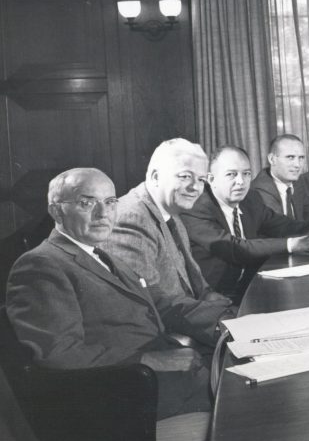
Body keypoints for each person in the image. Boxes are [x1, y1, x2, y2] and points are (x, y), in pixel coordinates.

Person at [6, 168, 210, 420]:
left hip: (166, 374)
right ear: (56, 211)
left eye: (110, 202)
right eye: (87, 203)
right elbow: (59, 353)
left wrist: (229, 323)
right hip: (127, 394)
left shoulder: (103, 255)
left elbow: (163, 304)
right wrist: (149, 360)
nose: (103, 214)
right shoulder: (40, 264)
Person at [181, 146, 309, 302]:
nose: (241, 182)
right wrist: (297, 243)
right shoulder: (196, 207)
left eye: (246, 174)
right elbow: (235, 248)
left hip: (249, 287)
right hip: (213, 297)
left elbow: (285, 226)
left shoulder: (251, 199)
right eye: (231, 175)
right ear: (211, 179)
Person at [106, 138, 233, 343]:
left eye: (201, 180)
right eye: (185, 177)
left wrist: (209, 296)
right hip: (160, 341)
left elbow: (190, 282)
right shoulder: (130, 218)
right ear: (156, 176)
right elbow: (151, 303)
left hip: (186, 324)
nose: (195, 187)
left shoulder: (170, 211)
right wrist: (227, 320)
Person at [251, 133, 307, 218]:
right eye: (290, 157)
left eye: (301, 158)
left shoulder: (300, 184)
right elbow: (282, 229)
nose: (297, 165)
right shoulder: (258, 192)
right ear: (272, 159)